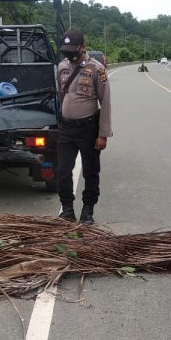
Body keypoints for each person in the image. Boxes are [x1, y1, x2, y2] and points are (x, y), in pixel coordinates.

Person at [56, 28, 113, 224]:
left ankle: (87, 211)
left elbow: (105, 101)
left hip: (88, 128)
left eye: (73, 48)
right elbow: (60, 94)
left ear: (82, 47)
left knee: (90, 170)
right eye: (66, 49)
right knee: (63, 170)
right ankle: (67, 210)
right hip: (66, 128)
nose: (69, 52)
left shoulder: (97, 69)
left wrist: (103, 133)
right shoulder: (61, 67)